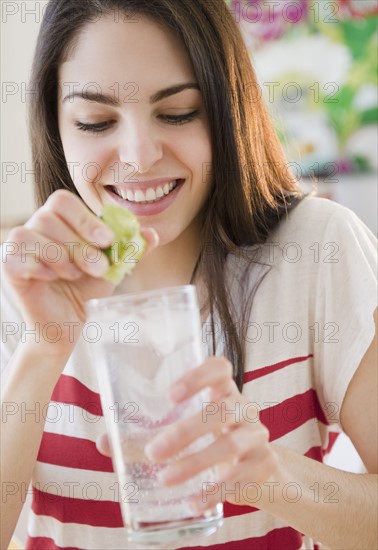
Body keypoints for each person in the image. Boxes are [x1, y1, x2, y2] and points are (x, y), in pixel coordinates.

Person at [1, 1, 377, 549]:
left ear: (228, 110)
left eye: (178, 112)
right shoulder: (22, 281)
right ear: (56, 128)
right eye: (95, 121)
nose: (137, 157)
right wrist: (41, 349)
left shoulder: (316, 251)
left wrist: (273, 478)